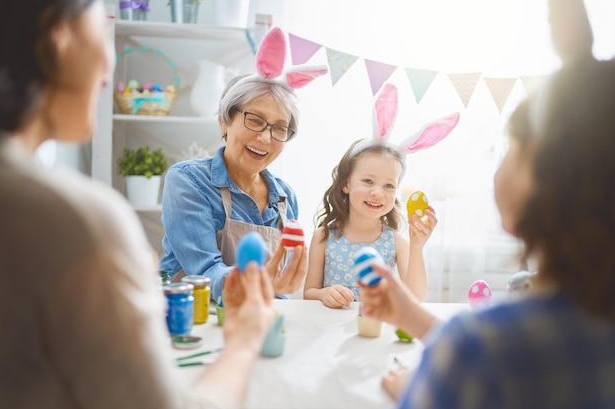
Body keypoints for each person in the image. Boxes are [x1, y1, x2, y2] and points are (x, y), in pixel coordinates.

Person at [0, 0, 276, 408]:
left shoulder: (283, 194)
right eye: (103, 34)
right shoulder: (76, 220)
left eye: (279, 128)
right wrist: (246, 339)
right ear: (59, 38)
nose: (109, 69)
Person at [359, 57, 615, 408]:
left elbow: (480, 355)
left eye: (508, 148)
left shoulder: (475, 348)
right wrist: (410, 316)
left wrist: (415, 392)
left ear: (536, 172)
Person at [159, 27, 327, 302]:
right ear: (224, 122)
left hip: (257, 320)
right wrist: (260, 283)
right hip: (195, 322)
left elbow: (279, 290)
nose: (264, 138)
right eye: (255, 120)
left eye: (279, 128)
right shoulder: (188, 181)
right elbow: (204, 273)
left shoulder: (285, 197)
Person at [303, 83, 459, 309]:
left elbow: (415, 298)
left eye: (388, 185)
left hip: (375, 333)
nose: (377, 192)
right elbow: (309, 293)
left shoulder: (396, 242)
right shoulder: (323, 236)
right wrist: (324, 294)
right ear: (346, 184)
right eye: (368, 181)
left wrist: (417, 246)